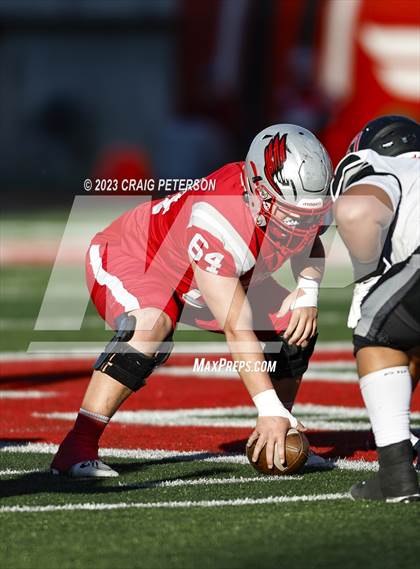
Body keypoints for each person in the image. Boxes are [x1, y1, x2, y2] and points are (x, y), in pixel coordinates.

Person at [51, 124, 332, 478]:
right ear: (257, 190)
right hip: (135, 257)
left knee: (296, 324)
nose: (300, 225)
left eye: (308, 215)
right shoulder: (219, 218)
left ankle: (280, 431)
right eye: (291, 214)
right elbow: (237, 326)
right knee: (152, 326)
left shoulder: (285, 207)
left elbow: (310, 243)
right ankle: (78, 443)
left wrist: (308, 290)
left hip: (208, 277)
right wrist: (264, 405)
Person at [331, 115, 420, 502]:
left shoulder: (384, 165)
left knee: (376, 329)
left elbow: (356, 211)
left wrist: (366, 280)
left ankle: (395, 476)